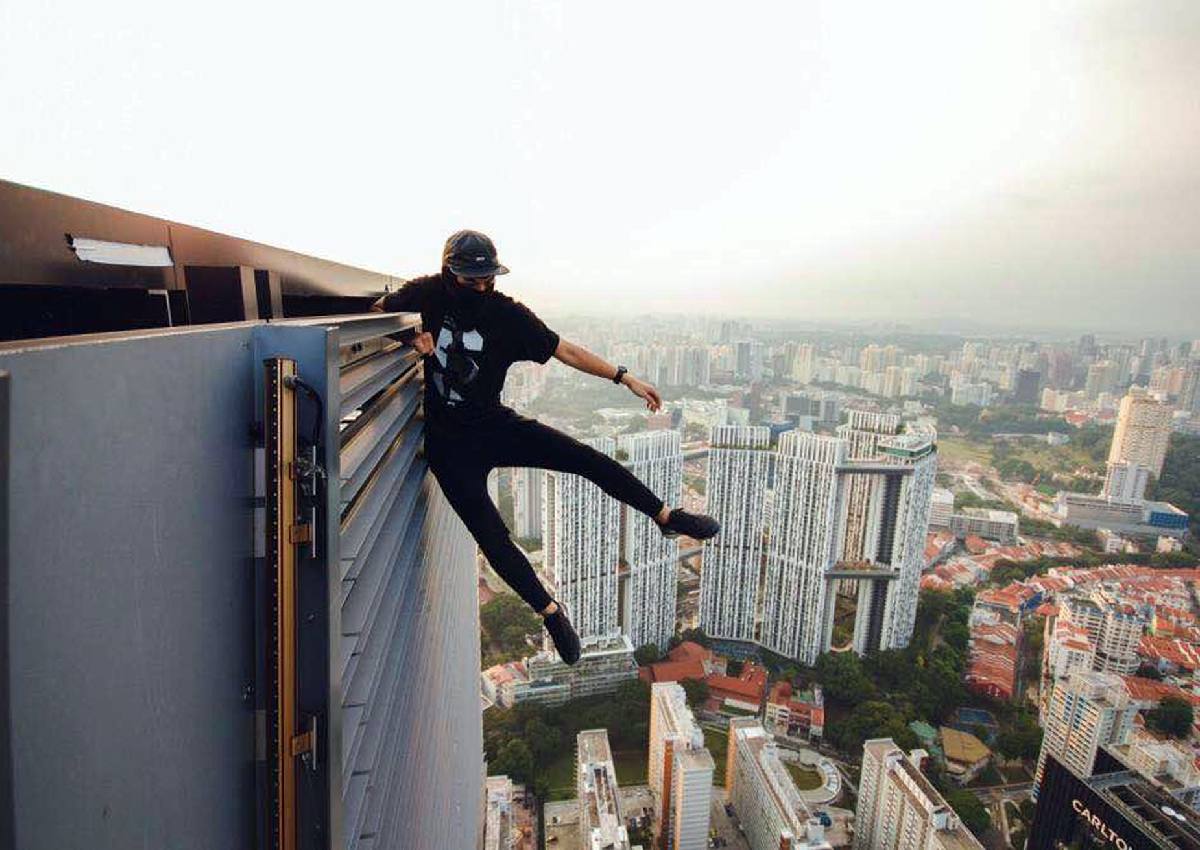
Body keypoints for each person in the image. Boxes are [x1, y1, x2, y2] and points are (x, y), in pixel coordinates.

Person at [371, 230, 721, 664]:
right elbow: (375, 317)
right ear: (448, 272)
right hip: (448, 445)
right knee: (493, 536)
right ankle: (551, 612)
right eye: (470, 280)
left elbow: (565, 351)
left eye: (487, 279)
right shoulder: (425, 293)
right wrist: (410, 338)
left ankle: (667, 516)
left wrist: (624, 377)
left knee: (585, 458)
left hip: (494, 425)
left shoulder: (507, 314)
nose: (481, 287)